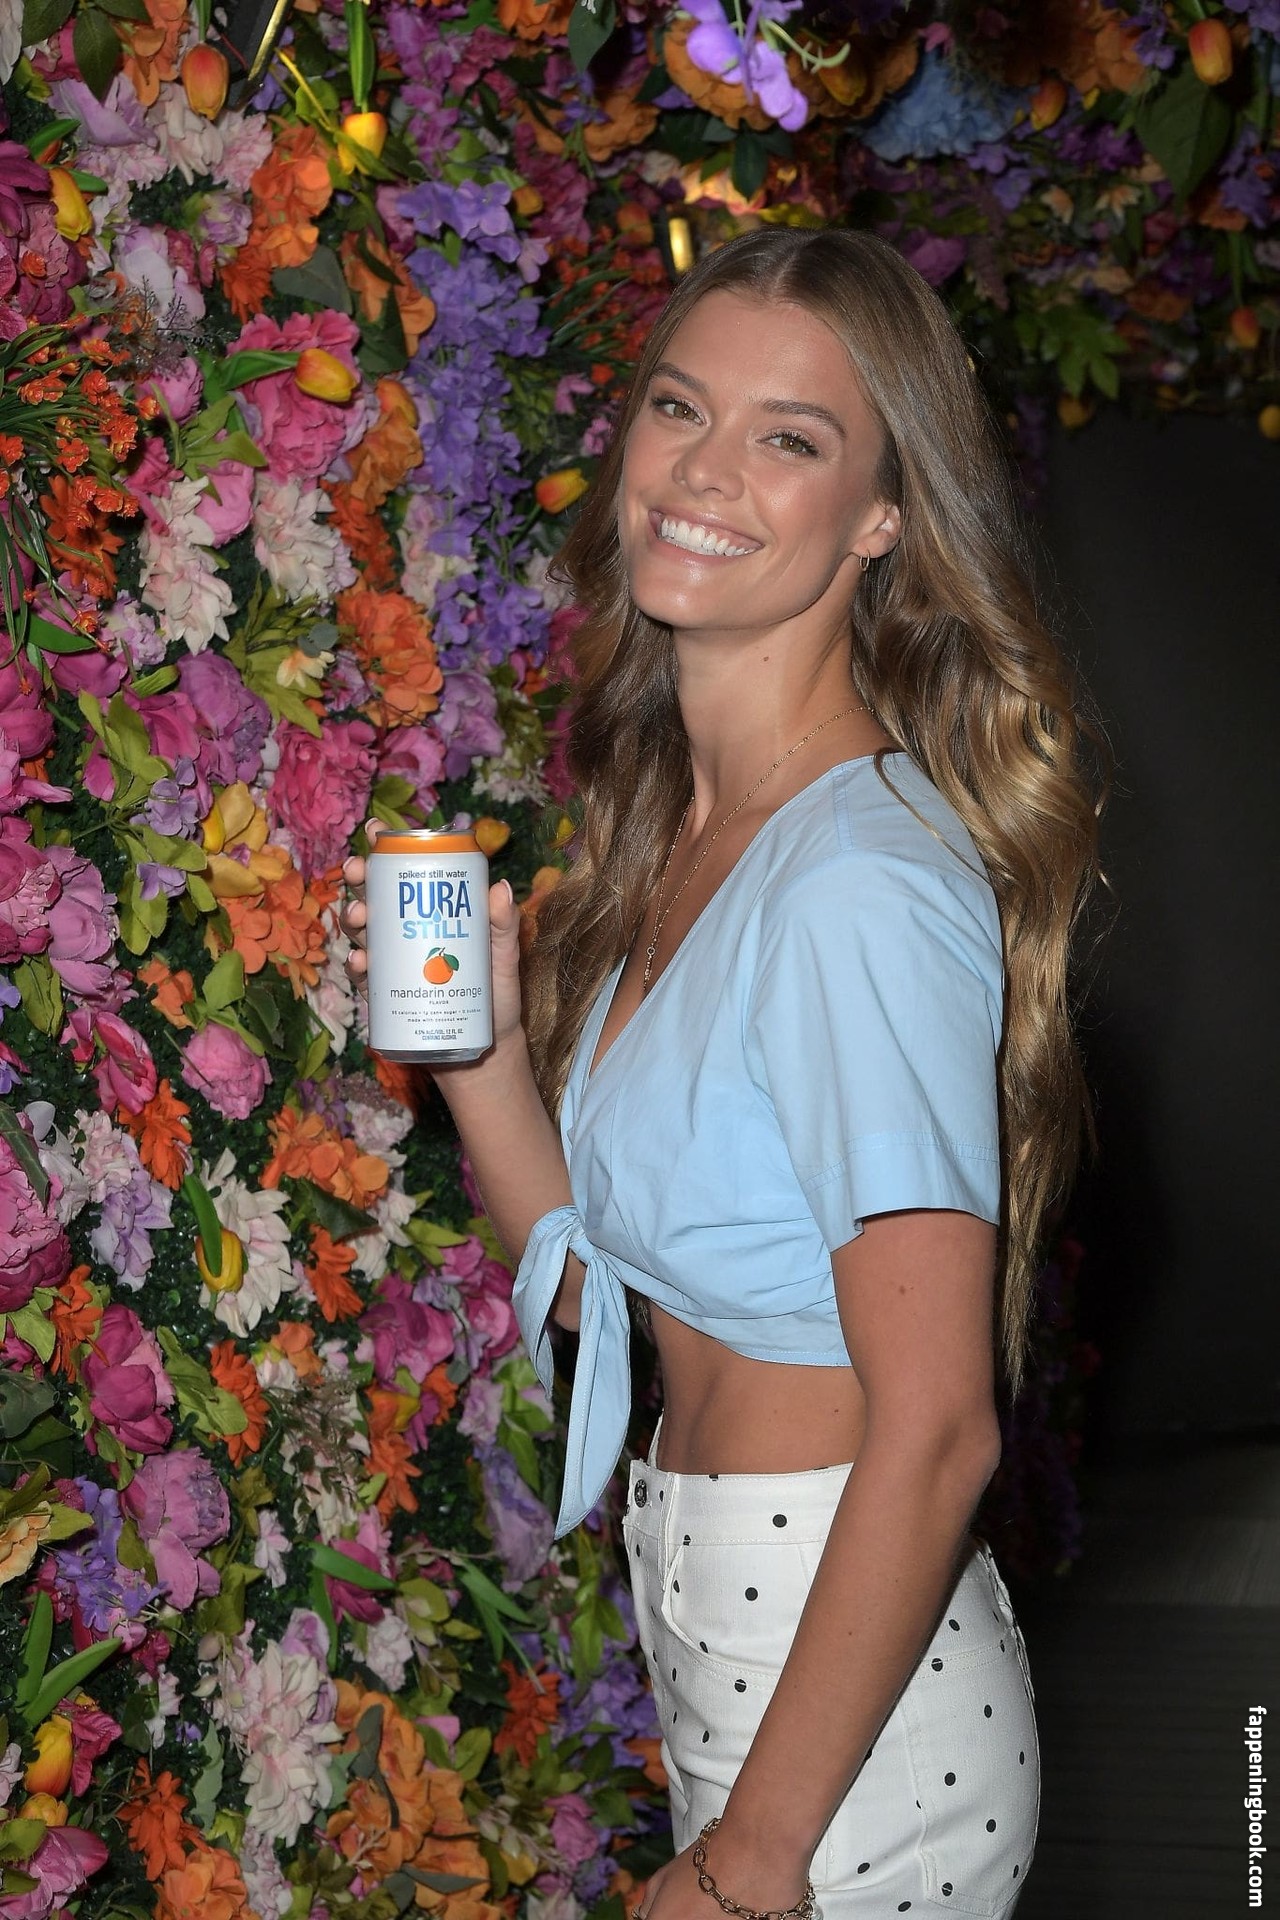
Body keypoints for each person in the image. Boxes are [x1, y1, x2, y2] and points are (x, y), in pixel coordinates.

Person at [343, 227, 1102, 1919]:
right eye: (681, 409)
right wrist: (486, 1060)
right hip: (738, 1637)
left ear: (884, 515)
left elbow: (941, 1422)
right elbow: (609, 1300)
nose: (704, 472)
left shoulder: (856, 880)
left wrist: (753, 1864)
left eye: (790, 438)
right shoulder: (693, 832)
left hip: (849, 1715)